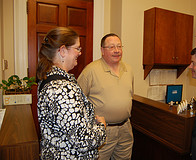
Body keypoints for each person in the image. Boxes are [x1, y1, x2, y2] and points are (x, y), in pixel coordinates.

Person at [36, 27, 106, 160]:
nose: (80, 53)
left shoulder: (48, 78)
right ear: (62, 51)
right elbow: (83, 141)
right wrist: (101, 126)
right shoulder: (63, 89)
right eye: (77, 48)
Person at [77, 33, 134, 160]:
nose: (117, 50)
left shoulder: (128, 69)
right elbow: (78, 101)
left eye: (119, 46)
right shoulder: (91, 70)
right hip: (102, 130)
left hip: (125, 128)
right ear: (102, 50)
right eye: (112, 47)